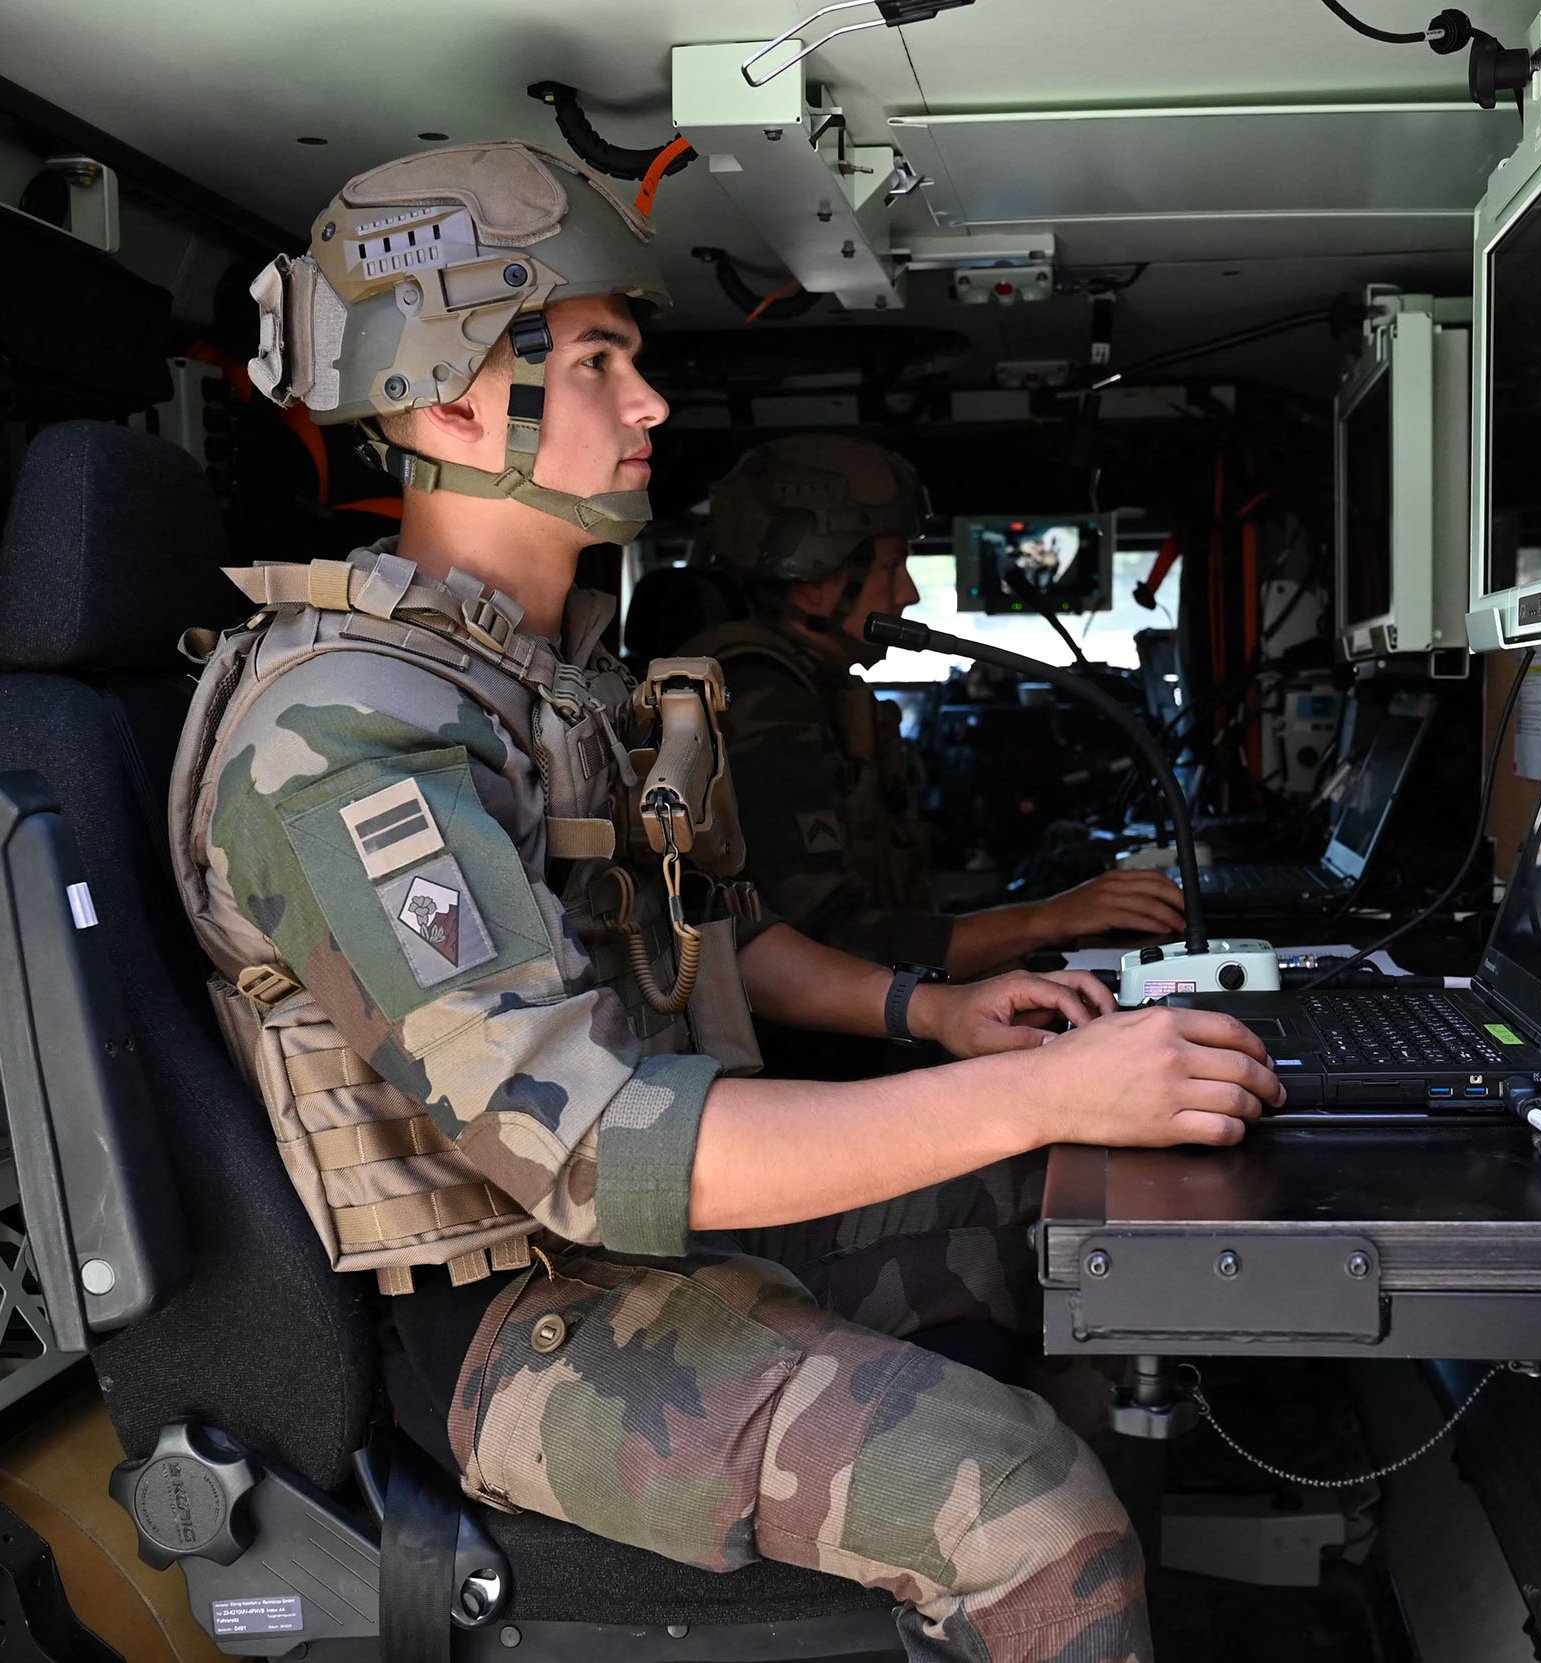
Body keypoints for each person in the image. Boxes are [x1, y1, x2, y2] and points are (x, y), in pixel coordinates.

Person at [172, 140, 1282, 1663]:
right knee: (1026, 1501)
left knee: (1053, 1214)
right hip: (507, 1323)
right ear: (443, 396)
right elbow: (575, 1145)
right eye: (593, 363)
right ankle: (1061, 1598)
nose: (646, 405)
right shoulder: (349, 726)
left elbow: (719, 936)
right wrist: (1034, 1084)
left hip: (622, 1252)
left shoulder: (547, 683)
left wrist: (937, 1011)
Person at [680, 436, 1189, 977]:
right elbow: (831, 941)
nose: (909, 595)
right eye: (893, 566)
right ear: (816, 584)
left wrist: (1046, 920)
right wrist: (1047, 919)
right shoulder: (760, 698)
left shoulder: (819, 687)